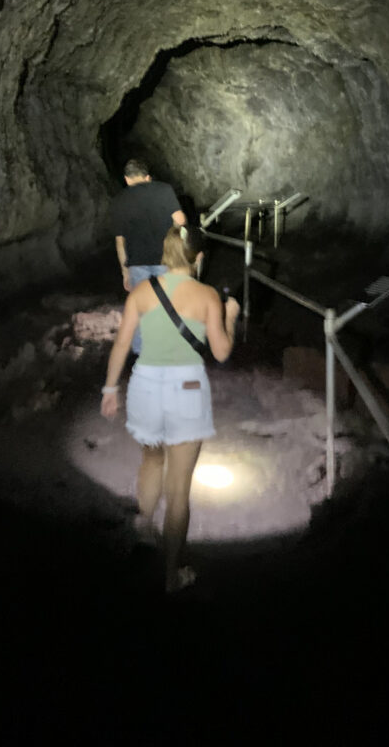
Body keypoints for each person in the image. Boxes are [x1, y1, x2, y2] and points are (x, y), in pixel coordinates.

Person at [101, 225, 240, 593]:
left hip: (146, 385)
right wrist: (230, 317)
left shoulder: (143, 291)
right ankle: (170, 575)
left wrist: (110, 388)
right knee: (178, 489)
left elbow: (121, 344)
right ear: (199, 257)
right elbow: (222, 352)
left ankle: (144, 525)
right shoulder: (208, 295)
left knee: (151, 459)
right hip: (187, 390)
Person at [111, 159, 187, 354]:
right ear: (148, 177)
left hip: (137, 262)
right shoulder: (163, 190)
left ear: (127, 179)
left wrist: (124, 271)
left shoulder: (119, 200)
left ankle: (140, 351)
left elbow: (120, 241)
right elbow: (181, 220)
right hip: (165, 259)